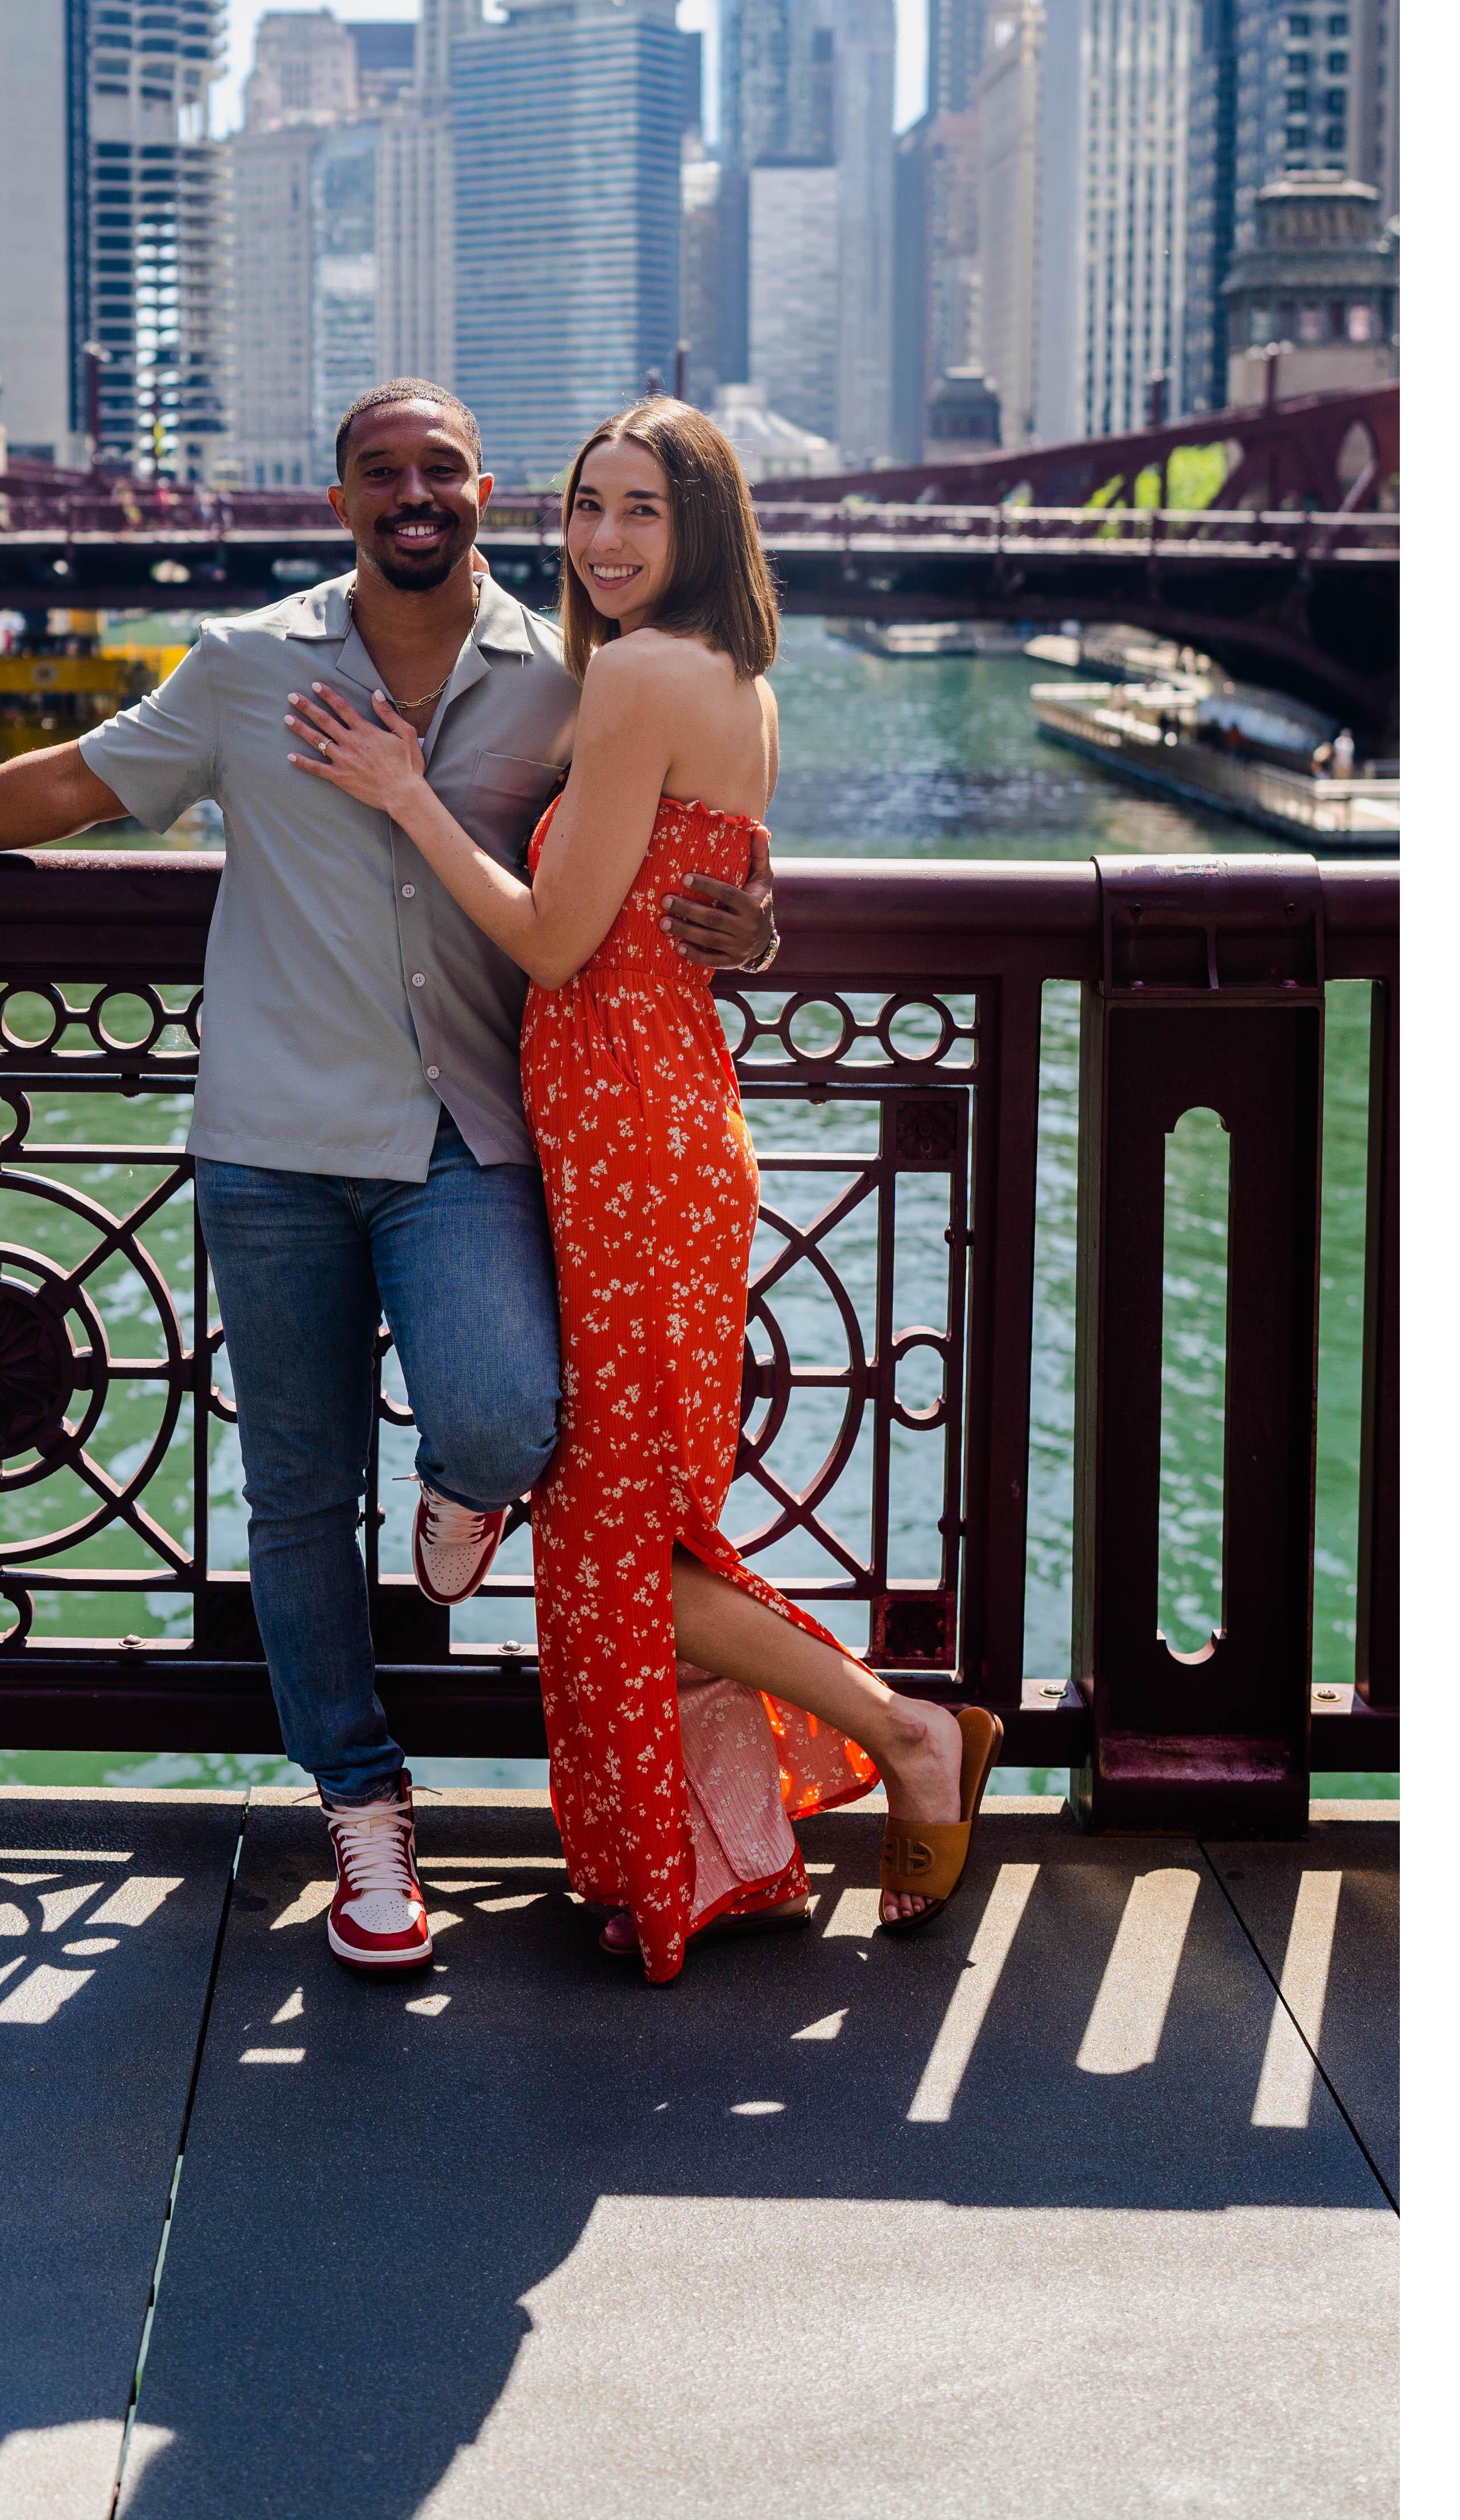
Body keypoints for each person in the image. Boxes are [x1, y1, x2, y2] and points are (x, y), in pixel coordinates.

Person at [0, 382, 777, 1977]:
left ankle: (462, 1492)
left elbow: (690, 837)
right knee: (295, 1496)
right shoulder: (245, 666)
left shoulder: (571, 680)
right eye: (381, 476)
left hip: (470, 1140)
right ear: (340, 496)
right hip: (275, 1143)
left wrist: (759, 922)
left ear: (485, 492)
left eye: (443, 472)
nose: (413, 497)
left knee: (505, 1414)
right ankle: (362, 1813)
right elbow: (75, 783)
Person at [291, 396, 1002, 1985]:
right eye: (587, 505)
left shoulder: (640, 676)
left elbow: (552, 939)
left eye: (640, 512)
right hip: (666, 1119)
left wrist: (406, 795)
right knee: (627, 1514)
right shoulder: (734, 679)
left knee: (612, 1532)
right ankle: (733, 1834)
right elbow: (710, 895)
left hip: (626, 1133)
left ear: (702, 529)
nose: (602, 539)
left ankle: (907, 1733)